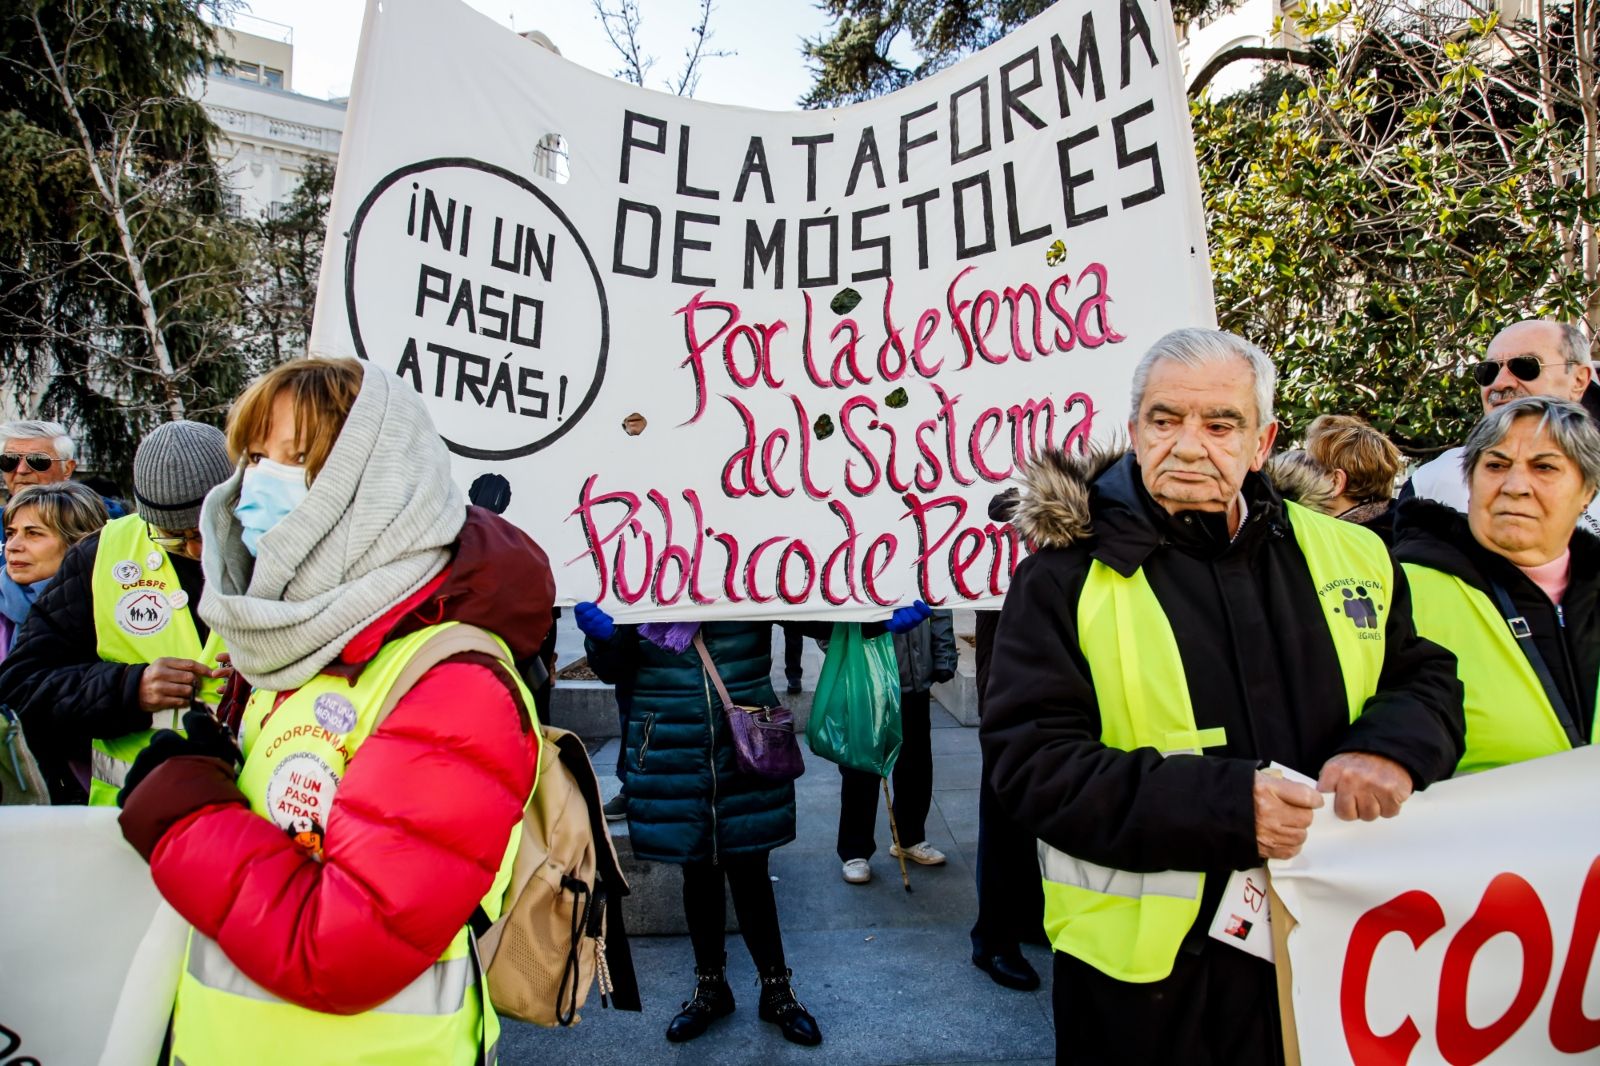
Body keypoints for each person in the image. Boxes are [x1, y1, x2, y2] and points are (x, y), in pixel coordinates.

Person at [982, 328, 1465, 1065]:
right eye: (1165, 419)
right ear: (1136, 427)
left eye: (1219, 424)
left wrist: (1389, 748)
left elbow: (1423, 676)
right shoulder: (1062, 578)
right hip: (1147, 987)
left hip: (1334, 947)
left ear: (1263, 439)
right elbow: (1031, 764)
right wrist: (1229, 806)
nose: (1187, 444)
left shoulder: (1352, 551)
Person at [113, 357, 555, 1066]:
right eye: (255, 455)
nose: (255, 484)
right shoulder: (300, 645)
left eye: (300, 459)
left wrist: (188, 817)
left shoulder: (453, 686)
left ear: (376, 488)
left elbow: (345, 948)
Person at [574, 599, 929, 1047]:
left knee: (751, 868)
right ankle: (710, 988)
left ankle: (777, 990)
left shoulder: (740, 565)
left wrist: (874, 618)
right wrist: (603, 637)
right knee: (696, 868)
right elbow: (615, 669)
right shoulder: (639, 579)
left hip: (746, 743)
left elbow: (815, 609)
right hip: (670, 742)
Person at [0, 420, 234, 804]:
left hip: (264, 810)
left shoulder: (275, 545)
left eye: (206, 531)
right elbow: (23, 687)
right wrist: (129, 688)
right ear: (145, 516)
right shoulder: (100, 555)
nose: (194, 550)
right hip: (133, 816)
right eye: (174, 536)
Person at [1395, 396, 1599, 772]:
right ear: (1469, 482)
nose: (1515, 486)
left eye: (1544, 467)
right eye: (1495, 465)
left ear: (1587, 491)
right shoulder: (1399, 588)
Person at [1406, 319, 1600, 535]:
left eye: (1525, 366)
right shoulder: (1435, 478)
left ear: (1578, 380)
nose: (1499, 383)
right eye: (1488, 371)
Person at [969, 487, 1045, 993]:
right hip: (1012, 688)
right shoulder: (1017, 500)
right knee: (1005, 811)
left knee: (1047, 812)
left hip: (1070, 684)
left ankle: (1031, 916)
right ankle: (994, 937)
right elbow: (995, 507)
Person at [837, 608, 956, 883]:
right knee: (861, 767)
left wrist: (944, 652)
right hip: (868, 676)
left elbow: (938, 603)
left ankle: (910, 836)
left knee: (916, 762)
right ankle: (855, 850)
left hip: (914, 677)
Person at [1, 482, 109, 663]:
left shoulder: (112, 609)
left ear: (78, 541)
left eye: (33, 533)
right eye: (11, 533)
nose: (13, 546)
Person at [1305, 414, 1405, 539]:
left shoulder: (1342, 542)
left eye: (1308, 466)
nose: (1301, 473)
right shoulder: (1402, 530)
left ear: (1335, 482)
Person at [1, 419, 78, 498]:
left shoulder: (86, 510)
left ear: (67, 469)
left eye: (37, 460)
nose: (21, 470)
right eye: (10, 459)